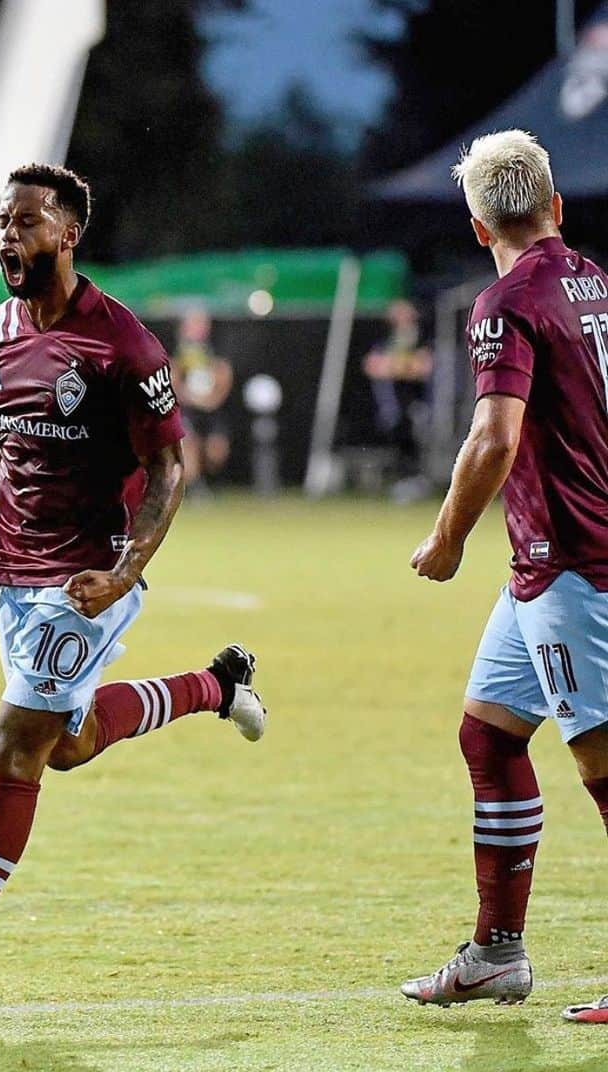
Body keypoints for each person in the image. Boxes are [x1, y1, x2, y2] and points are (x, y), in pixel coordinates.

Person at [0, 164, 268, 1010]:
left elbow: (168, 469)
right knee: (70, 745)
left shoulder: (124, 344)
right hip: (10, 575)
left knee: (15, 749)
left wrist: (124, 575)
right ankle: (215, 685)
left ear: (68, 232)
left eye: (26, 222)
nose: (9, 236)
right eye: (2, 222)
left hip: (88, 580)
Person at [402, 131, 608, 1024]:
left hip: (573, 562)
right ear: (555, 206)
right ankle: (496, 955)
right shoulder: (592, 278)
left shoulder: (506, 299)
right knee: (488, 736)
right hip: (542, 565)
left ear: (477, 220)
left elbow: (495, 436)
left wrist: (446, 538)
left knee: (605, 771)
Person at [361, 299, 433, 501]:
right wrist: (400, 365)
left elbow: (421, 367)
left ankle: (414, 482)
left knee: (411, 440)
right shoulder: (386, 339)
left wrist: (393, 366)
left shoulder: (421, 338)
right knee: (393, 441)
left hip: (414, 404)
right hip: (389, 406)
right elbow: (371, 365)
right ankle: (398, 482)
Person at [170, 307, 234, 496]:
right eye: (192, 324)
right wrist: (187, 396)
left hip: (211, 407)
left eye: (201, 324)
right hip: (186, 407)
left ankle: (214, 482)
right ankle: (195, 488)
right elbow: (171, 379)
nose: (197, 328)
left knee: (217, 452)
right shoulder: (174, 350)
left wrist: (211, 399)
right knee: (189, 444)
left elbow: (224, 375)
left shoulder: (216, 349)